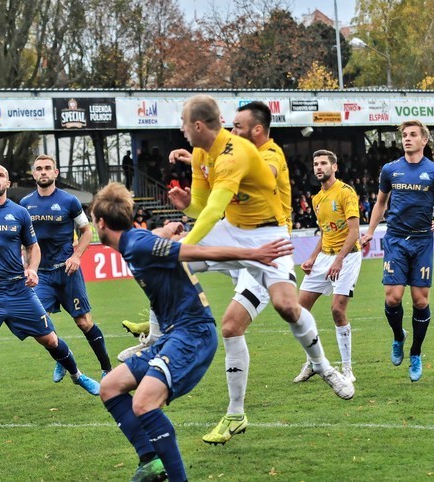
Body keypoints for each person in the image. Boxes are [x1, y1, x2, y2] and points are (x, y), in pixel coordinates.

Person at [163, 96, 353, 446]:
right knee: (222, 316)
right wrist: (187, 204)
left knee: (287, 306)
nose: (232, 128)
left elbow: (220, 202)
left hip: (270, 236)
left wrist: (188, 240)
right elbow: (205, 207)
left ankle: (325, 367)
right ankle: (234, 411)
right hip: (235, 232)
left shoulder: (256, 154)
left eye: (238, 125)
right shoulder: (208, 154)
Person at [92, 182, 293, 482]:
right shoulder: (136, 239)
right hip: (175, 335)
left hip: (193, 334)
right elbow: (153, 237)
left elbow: (197, 250)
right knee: (109, 386)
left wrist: (254, 254)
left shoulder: (139, 245)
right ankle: (150, 460)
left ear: (101, 223)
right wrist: (169, 229)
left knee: (144, 403)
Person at [0, 164, 100, 423]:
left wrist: (33, 269)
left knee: (50, 340)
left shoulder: (20, 213)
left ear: (8, 182)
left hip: (18, 290)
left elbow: (33, 247)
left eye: (0, 174)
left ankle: (78, 376)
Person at [360, 120, 434, 382]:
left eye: (413, 135)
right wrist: (369, 231)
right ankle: (399, 337)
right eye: (405, 135)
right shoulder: (390, 170)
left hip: (423, 241)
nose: (407, 139)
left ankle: (415, 353)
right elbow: (380, 203)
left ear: (424, 140)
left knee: (420, 301)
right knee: (393, 298)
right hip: (396, 239)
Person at [20, 154, 112, 381]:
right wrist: (27, 264)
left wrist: (77, 256)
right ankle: (63, 357)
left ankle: (107, 368)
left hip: (68, 271)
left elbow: (87, 231)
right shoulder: (24, 204)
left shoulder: (69, 201)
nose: (43, 172)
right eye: (39, 168)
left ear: (55, 173)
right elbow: (22, 240)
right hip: (41, 274)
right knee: (39, 325)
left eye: (47, 168)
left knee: (84, 323)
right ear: (33, 174)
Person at [294, 150, 363, 384]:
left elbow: (354, 231)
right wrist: (313, 258)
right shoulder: (316, 199)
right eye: (315, 164)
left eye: (324, 163)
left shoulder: (345, 192)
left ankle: (347, 369)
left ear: (335, 167)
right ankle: (314, 362)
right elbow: (325, 232)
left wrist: (339, 260)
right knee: (299, 311)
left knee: (337, 310)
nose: (319, 167)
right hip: (325, 256)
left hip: (348, 256)